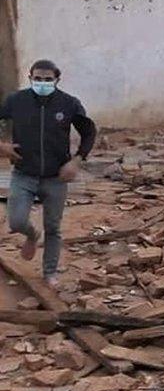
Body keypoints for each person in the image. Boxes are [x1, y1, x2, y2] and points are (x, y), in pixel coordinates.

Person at [0, 60, 96, 286]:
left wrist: (77, 160)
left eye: (47, 79)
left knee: (53, 227)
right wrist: (1, 147)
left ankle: (50, 272)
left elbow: (89, 132)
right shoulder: (16, 101)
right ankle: (32, 235)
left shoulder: (69, 103)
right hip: (23, 174)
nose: (42, 83)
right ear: (30, 77)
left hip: (56, 177)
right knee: (16, 221)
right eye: (38, 79)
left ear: (57, 80)